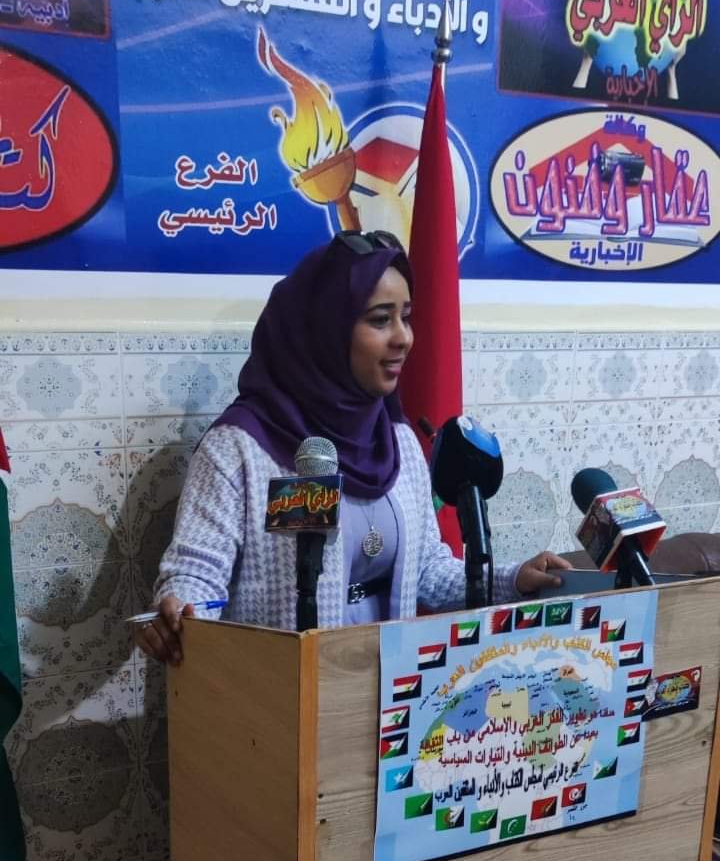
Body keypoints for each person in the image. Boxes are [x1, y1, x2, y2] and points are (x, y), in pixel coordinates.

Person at [137, 232, 569, 664]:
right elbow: (196, 574)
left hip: (393, 686)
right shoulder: (239, 449)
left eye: (406, 317)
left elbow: (428, 571)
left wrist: (513, 579)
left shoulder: (398, 441)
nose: (404, 338)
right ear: (326, 330)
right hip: (280, 689)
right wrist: (180, 607)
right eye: (381, 320)